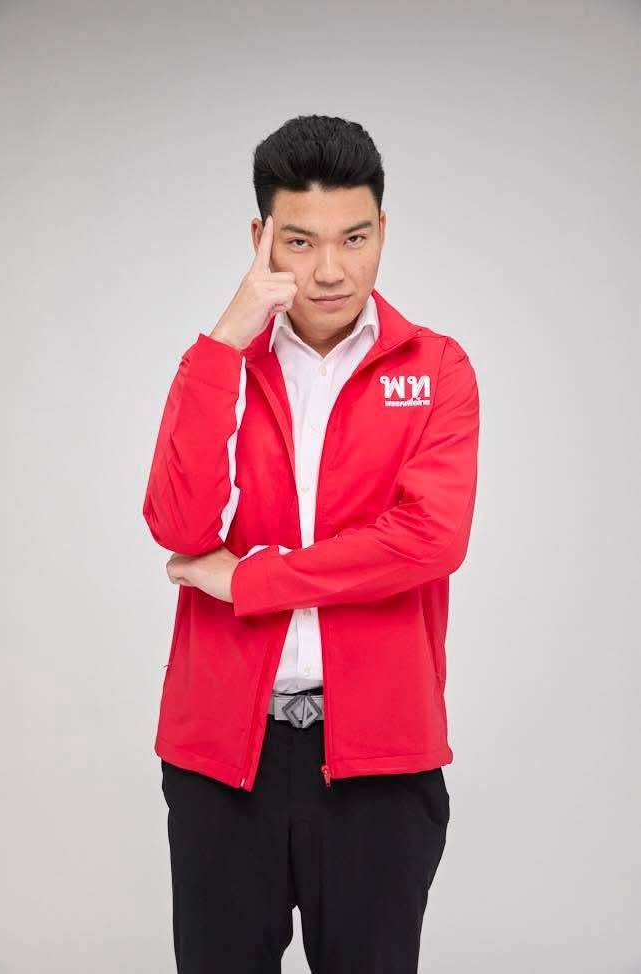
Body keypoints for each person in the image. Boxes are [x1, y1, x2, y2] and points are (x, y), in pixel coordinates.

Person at [142, 114, 480, 973]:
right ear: (261, 239)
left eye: (354, 238)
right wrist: (226, 336)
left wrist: (251, 579)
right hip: (225, 755)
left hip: (379, 763)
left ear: (382, 231)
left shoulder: (436, 369)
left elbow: (427, 540)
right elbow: (178, 526)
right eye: (300, 241)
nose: (330, 269)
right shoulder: (223, 366)